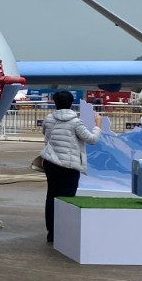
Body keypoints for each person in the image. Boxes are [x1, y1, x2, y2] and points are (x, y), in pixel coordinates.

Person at [41, 90, 99, 244]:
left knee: (51, 196)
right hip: (69, 165)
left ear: (55, 103)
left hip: (51, 163)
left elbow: (45, 133)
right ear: (71, 103)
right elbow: (91, 139)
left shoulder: (49, 119)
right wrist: (97, 126)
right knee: (67, 198)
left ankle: (52, 232)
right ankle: (64, 232)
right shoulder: (76, 122)